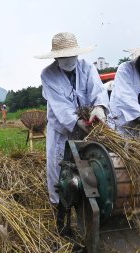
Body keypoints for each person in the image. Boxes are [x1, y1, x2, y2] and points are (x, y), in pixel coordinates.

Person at [35, 32, 109, 207]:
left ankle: (86, 204)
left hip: (89, 124)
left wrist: (99, 107)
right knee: (58, 168)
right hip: (62, 128)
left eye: (71, 55)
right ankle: (59, 207)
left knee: (90, 164)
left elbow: (98, 90)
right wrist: (78, 122)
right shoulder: (48, 74)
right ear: (56, 57)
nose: (68, 59)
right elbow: (60, 106)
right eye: (63, 56)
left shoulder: (87, 67)